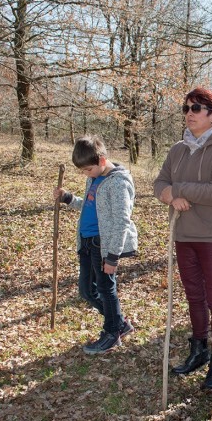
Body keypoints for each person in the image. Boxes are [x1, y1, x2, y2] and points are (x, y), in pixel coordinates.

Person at [154, 87, 212, 388]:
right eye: (187, 108)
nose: (189, 113)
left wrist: (178, 190)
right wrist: (169, 196)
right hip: (183, 233)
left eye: (196, 108)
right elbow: (160, 183)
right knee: (194, 296)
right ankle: (199, 350)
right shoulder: (178, 149)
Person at [54, 135, 138, 354]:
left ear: (102, 161)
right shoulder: (95, 178)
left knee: (105, 288)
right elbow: (91, 207)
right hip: (87, 242)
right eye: (83, 171)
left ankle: (112, 333)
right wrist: (69, 198)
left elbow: (121, 221)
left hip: (104, 244)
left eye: (88, 170)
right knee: (86, 291)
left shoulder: (118, 183)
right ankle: (119, 323)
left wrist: (112, 256)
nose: (85, 175)